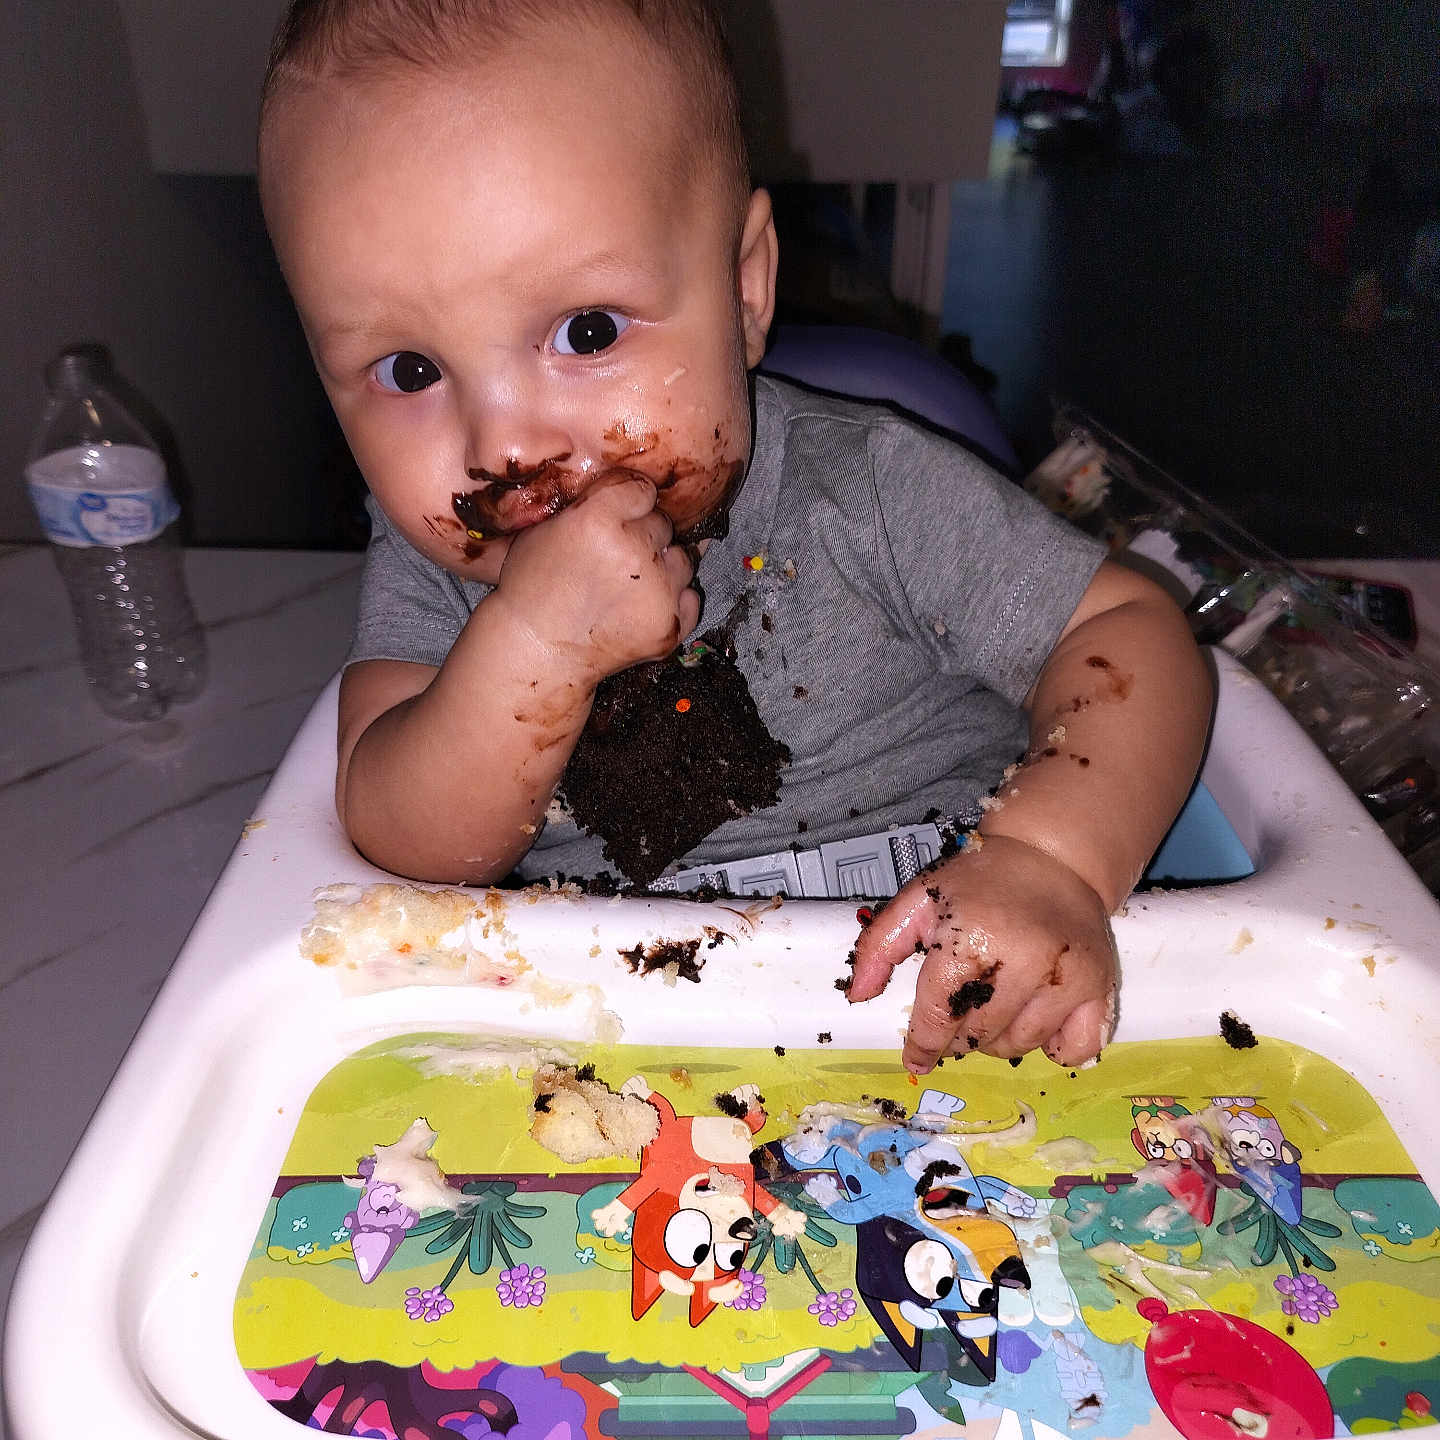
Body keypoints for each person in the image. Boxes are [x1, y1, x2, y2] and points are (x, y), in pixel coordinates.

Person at [257, 0, 1212, 1075]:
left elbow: (1132, 630)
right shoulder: (437, 567)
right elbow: (401, 838)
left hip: (954, 1000)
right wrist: (532, 648)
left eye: (586, 333)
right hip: (620, 1045)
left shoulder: (867, 492)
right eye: (410, 372)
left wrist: (1052, 859)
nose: (502, 444)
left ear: (746, 285)